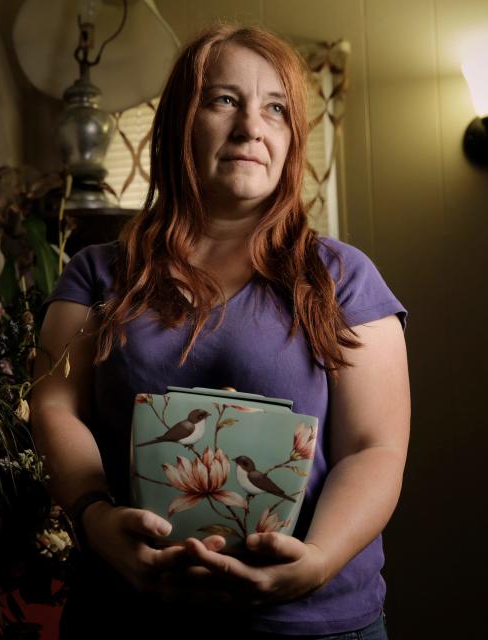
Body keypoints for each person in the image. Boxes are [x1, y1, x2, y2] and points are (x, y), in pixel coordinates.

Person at [30, 23, 409, 639]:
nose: (251, 127)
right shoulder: (96, 273)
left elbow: (374, 448)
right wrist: (95, 518)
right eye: (224, 100)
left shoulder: (345, 278)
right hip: (127, 613)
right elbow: (53, 405)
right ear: (182, 120)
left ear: (292, 139)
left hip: (313, 623)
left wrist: (314, 564)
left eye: (276, 109)